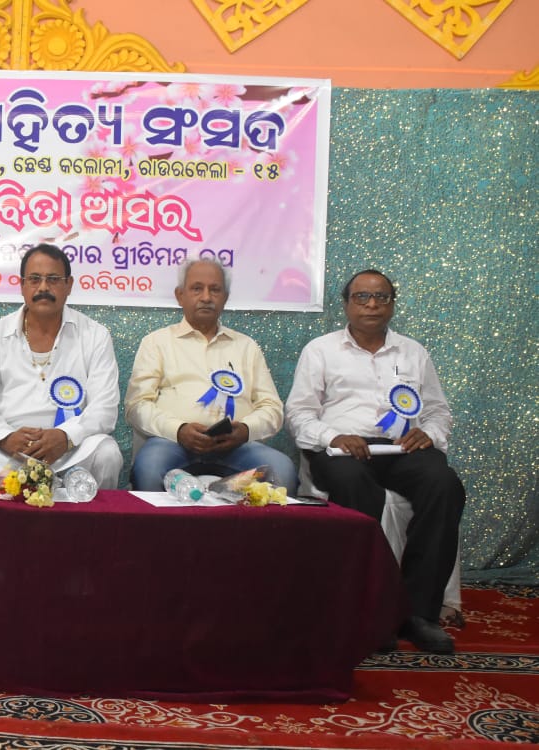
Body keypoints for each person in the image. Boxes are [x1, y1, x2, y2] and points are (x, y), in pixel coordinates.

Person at [285, 269, 466, 654]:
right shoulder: (321, 350)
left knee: (444, 485)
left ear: (392, 304)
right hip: (342, 448)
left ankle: (418, 613)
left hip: (402, 448)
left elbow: (437, 411)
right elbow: (299, 413)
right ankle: (364, 611)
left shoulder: (413, 352)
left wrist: (429, 434)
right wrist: (332, 437)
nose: (371, 305)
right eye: (362, 297)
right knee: (355, 487)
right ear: (346, 304)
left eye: (381, 297)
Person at [0, 243, 123, 488]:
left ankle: (94, 516)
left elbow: (104, 408)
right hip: (9, 449)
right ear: (22, 285)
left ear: (69, 285)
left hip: (70, 450)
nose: (43, 287)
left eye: (53, 279)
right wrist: (6, 437)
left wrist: (65, 436)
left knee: (106, 452)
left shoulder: (95, 335)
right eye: (34, 279)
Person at [125, 258, 296, 492]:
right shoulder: (156, 343)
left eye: (215, 290)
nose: (206, 297)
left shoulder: (246, 347)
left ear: (225, 297)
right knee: (149, 468)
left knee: (282, 470)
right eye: (197, 288)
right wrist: (178, 430)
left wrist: (245, 430)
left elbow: (272, 408)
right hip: (171, 444)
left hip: (237, 448)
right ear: (180, 295)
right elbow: (136, 406)